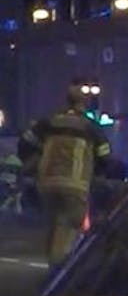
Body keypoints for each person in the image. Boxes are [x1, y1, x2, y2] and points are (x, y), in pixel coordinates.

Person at [18, 80, 112, 268]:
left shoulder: (49, 122)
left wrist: (33, 164)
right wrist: (95, 174)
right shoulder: (91, 127)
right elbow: (105, 157)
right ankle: (59, 271)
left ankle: (51, 264)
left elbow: (25, 142)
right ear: (85, 103)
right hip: (76, 185)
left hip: (47, 183)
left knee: (53, 223)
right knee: (69, 226)